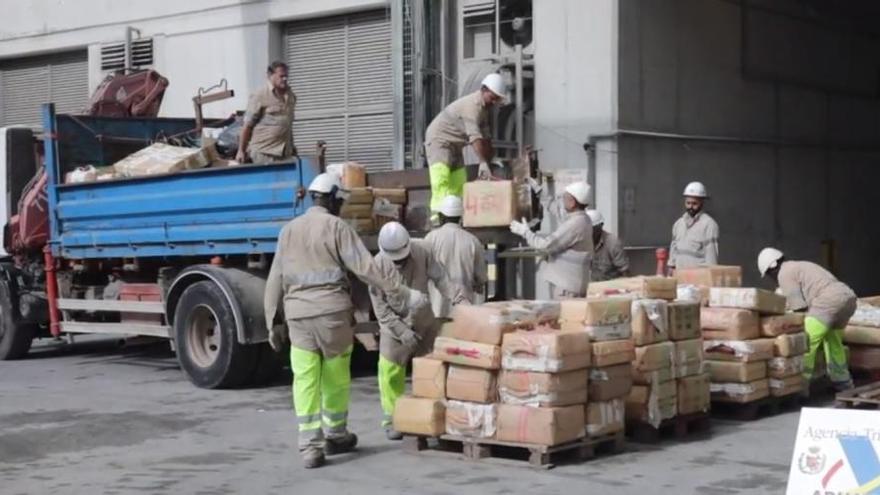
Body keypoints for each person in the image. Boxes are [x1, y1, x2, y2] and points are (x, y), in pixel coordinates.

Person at [264, 173, 426, 469]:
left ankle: (309, 447)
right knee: (335, 375)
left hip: (298, 316)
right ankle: (335, 434)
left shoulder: (288, 230)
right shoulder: (337, 227)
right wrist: (404, 292)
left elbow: (276, 276)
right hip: (332, 315)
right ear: (333, 198)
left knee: (305, 378)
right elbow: (366, 268)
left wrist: (271, 319)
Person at [370, 222, 464, 440]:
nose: (400, 263)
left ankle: (431, 415)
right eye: (396, 260)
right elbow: (381, 311)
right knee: (390, 370)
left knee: (431, 369)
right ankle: (393, 418)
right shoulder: (376, 267)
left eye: (403, 258)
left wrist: (457, 298)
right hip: (394, 327)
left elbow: (440, 278)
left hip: (424, 320)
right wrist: (402, 332)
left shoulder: (422, 251)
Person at [757, 247, 856, 391]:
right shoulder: (799, 266)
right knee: (833, 342)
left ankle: (799, 385)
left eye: (768, 274)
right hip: (847, 298)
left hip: (828, 301)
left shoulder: (784, 273)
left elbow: (799, 308)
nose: (771, 278)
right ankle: (844, 383)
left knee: (806, 343)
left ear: (773, 266)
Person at [424, 73, 506, 219]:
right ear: (484, 89)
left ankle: (455, 218)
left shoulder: (484, 110)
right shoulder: (472, 106)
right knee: (441, 181)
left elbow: (486, 138)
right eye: (492, 97)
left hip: (455, 145)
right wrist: (482, 162)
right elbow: (474, 137)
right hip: (439, 141)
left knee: (458, 183)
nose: (494, 102)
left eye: (497, 99)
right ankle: (437, 220)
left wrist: (490, 160)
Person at [509, 181, 593, 299]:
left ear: (573, 202)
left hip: (567, 289)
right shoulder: (582, 219)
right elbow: (557, 211)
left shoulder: (575, 225)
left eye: (565, 197)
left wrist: (526, 232)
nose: (562, 200)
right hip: (570, 285)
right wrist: (540, 192)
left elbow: (546, 246)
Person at [424, 196, 487, 318]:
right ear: (460, 217)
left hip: (436, 311)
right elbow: (481, 280)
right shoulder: (473, 241)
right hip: (464, 313)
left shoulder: (430, 239)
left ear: (441, 216)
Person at [237, 61, 297, 164]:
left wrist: (292, 147)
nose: (285, 79)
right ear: (270, 76)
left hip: (284, 153)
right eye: (281, 76)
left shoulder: (290, 96)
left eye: (286, 76)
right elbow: (247, 126)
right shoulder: (260, 95)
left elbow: (287, 124)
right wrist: (241, 151)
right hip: (264, 152)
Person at [668, 181, 719, 272]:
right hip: (680, 277)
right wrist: (671, 267)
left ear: (702, 203)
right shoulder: (678, 224)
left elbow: (711, 257)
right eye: (688, 203)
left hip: (698, 280)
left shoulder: (709, 225)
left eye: (694, 203)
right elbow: (674, 249)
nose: (691, 206)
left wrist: (710, 277)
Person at [587, 209, 629, 281]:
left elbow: (624, 272)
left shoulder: (612, 242)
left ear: (600, 226)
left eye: (592, 229)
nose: (588, 232)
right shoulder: (582, 242)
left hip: (610, 287)